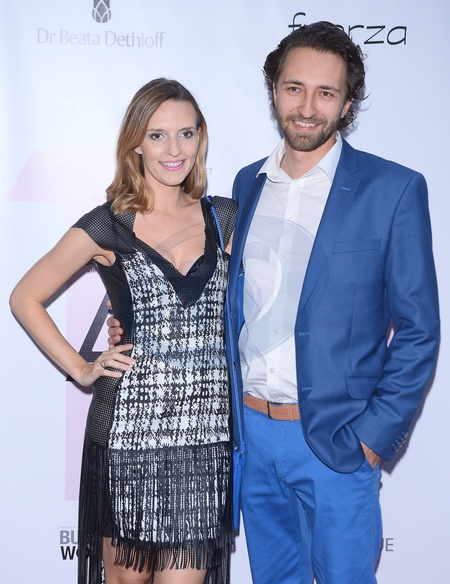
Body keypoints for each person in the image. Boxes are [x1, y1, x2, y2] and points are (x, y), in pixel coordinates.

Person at [106, 22, 440, 584]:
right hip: (251, 440)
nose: (307, 107)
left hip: (337, 443)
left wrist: (372, 439)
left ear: (347, 103)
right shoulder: (247, 186)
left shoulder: (393, 190)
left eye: (325, 93)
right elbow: (218, 296)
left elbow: (418, 330)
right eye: (294, 88)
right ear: (274, 92)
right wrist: (133, 322)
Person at [10, 78, 238, 584]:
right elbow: (25, 296)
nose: (173, 150)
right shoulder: (108, 224)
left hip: (204, 437)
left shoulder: (225, 217)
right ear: (136, 143)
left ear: (200, 138)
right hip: (127, 432)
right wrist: (82, 368)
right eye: (157, 136)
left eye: (185, 133)